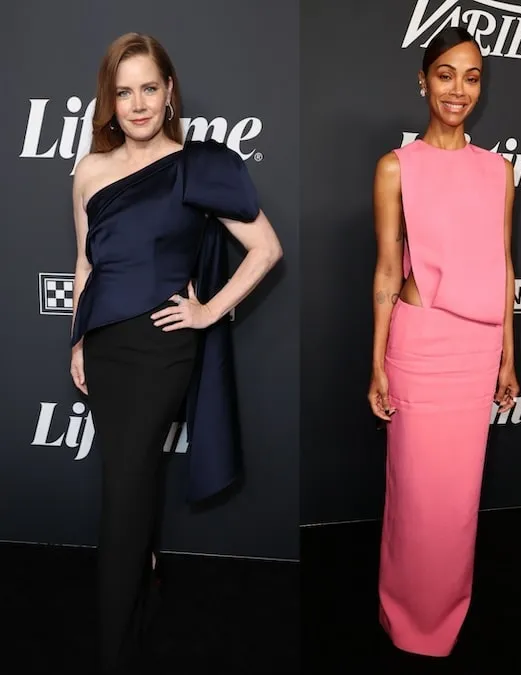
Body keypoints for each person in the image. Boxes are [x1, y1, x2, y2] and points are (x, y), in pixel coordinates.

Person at [69, 33, 282, 673]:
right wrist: (77, 338)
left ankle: (114, 650)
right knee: (130, 484)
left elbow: (267, 248)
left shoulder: (197, 166)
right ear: (111, 99)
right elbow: (86, 261)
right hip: (105, 348)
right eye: (124, 90)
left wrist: (208, 310)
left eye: (149, 88)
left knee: (124, 493)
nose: (136, 103)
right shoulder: (89, 171)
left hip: (163, 348)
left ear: (168, 95)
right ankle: (146, 588)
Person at [368, 26, 518, 658]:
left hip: (477, 350)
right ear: (424, 80)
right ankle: (401, 614)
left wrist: (511, 355)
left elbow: (505, 261)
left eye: (473, 76)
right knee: (415, 495)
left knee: (458, 503)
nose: (460, 89)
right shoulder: (396, 167)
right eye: (448, 74)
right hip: (421, 347)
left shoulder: (499, 170)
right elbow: (384, 270)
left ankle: (449, 614)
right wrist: (374, 362)